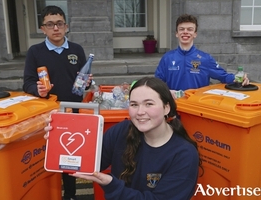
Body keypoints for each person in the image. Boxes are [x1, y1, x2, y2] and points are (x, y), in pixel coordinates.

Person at [45, 77, 201, 200]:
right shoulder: (122, 131)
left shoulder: (184, 154)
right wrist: (56, 140)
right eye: (134, 104)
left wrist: (112, 186)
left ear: (166, 108)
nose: (140, 112)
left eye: (149, 104)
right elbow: (84, 163)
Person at [23, 5, 93, 200]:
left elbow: (82, 80)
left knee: (71, 156)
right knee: (49, 157)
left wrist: (87, 83)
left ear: (66, 26)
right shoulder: (35, 52)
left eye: (59, 24)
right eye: (50, 24)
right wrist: (37, 89)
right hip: (49, 113)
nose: (56, 28)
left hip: (74, 111)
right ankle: (48, 194)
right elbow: (27, 82)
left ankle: (70, 195)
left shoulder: (76, 49)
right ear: (42, 28)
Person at [155, 14, 250, 97]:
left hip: (196, 109)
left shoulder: (205, 59)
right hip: (174, 108)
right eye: (181, 29)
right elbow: (157, 84)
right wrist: (167, 93)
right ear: (176, 33)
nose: (185, 32)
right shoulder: (167, 58)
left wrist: (240, 78)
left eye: (190, 29)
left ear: (195, 34)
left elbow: (224, 76)